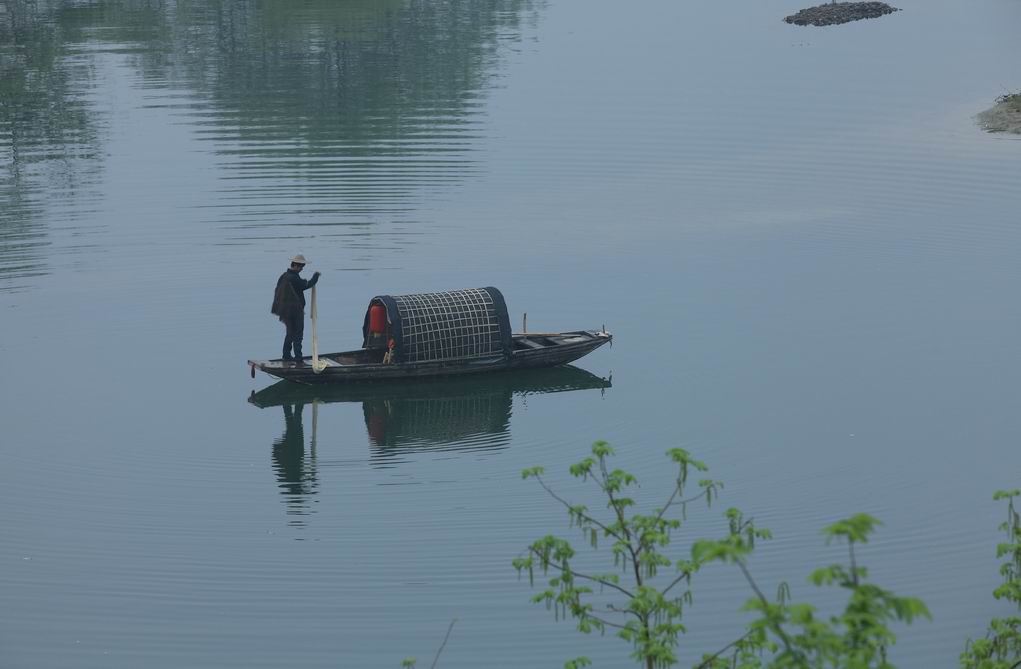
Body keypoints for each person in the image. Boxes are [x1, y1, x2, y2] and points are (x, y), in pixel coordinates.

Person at [271, 254, 321, 365]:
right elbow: (307, 284)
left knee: (290, 333)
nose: (302, 269)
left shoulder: (284, 276)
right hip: (295, 312)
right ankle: (299, 359)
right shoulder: (293, 277)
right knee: (298, 335)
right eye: (301, 266)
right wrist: (316, 276)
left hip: (286, 312)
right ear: (297, 266)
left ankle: (286, 356)